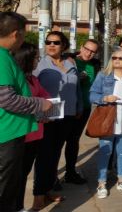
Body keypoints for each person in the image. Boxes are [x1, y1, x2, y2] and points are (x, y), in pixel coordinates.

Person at [0, 13, 52, 211]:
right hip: (7, 134)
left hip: (11, 132)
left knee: (10, 188)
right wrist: (40, 104)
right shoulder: (2, 58)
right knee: (5, 190)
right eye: (23, 35)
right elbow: (6, 98)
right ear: (15, 34)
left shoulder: (6, 57)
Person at [33, 31, 83, 209]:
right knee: (44, 156)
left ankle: (48, 190)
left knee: (55, 155)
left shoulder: (70, 63)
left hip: (68, 115)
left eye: (56, 42)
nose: (51, 45)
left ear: (64, 46)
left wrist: (79, 107)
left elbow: (76, 88)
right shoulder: (40, 65)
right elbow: (33, 90)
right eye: (48, 42)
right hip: (49, 116)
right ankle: (38, 195)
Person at [89, 50, 122, 199]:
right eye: (114, 57)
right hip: (108, 119)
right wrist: (105, 98)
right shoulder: (103, 75)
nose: (116, 60)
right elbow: (92, 95)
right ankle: (101, 182)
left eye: (121, 58)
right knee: (105, 151)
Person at [13, 42, 51, 212]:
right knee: (15, 179)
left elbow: (46, 96)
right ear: (26, 59)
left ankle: (18, 206)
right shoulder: (15, 80)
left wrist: (45, 108)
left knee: (23, 175)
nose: (38, 60)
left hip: (35, 133)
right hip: (19, 135)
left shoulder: (32, 78)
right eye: (36, 57)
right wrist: (40, 106)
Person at [61, 39, 100, 186]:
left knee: (73, 141)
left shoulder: (95, 64)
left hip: (84, 108)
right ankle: (51, 176)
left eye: (93, 51)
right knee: (58, 143)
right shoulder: (69, 60)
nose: (88, 53)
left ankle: (70, 172)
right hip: (68, 108)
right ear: (81, 47)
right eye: (87, 49)